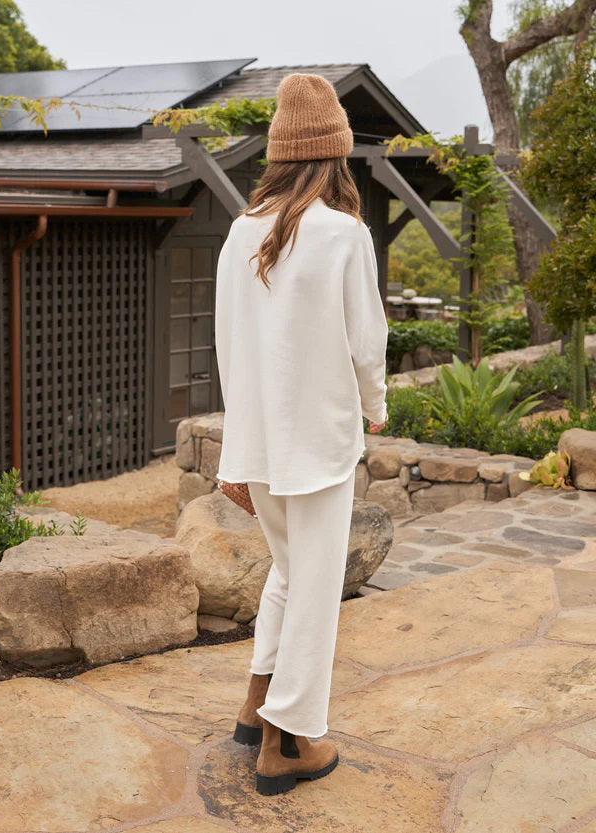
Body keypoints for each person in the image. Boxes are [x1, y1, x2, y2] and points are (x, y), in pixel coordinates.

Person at [214, 72, 389, 796]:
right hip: (318, 444)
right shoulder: (343, 233)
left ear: (281, 153)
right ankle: (288, 744)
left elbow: (226, 345)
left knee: (289, 575)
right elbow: (366, 340)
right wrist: (375, 405)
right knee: (314, 587)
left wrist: (234, 449)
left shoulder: (237, 230)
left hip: (260, 446)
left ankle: (257, 705)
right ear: (335, 154)